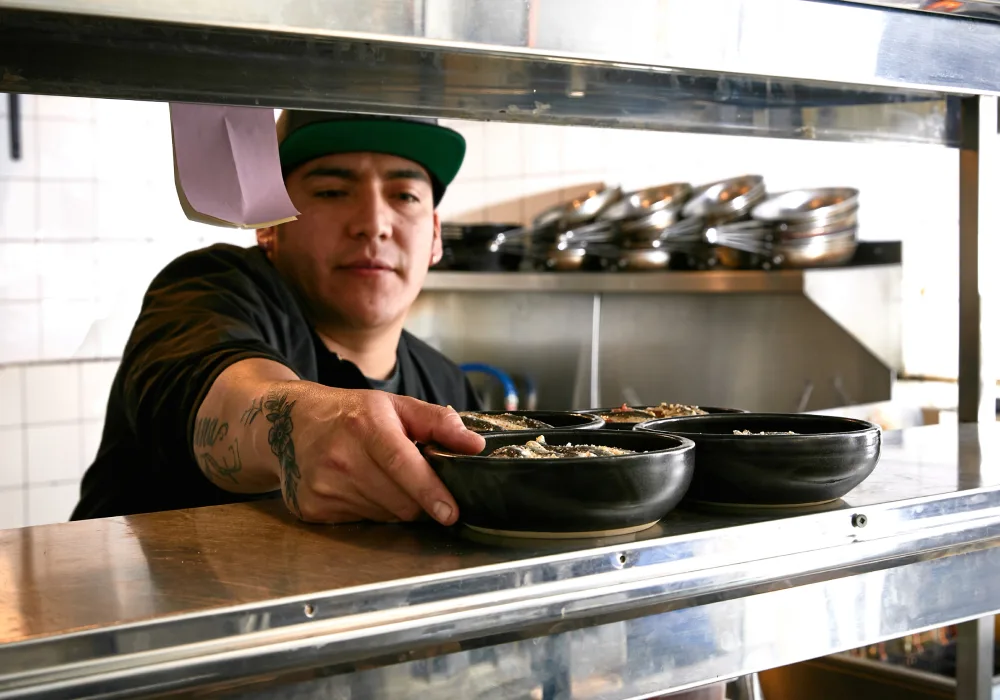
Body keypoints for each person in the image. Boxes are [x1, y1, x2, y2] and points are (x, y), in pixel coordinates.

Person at [71, 110, 486, 525]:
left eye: (404, 196)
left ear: (434, 236)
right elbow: (221, 389)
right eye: (331, 192)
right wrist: (301, 426)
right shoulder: (208, 290)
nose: (373, 224)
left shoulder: (446, 386)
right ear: (269, 226)